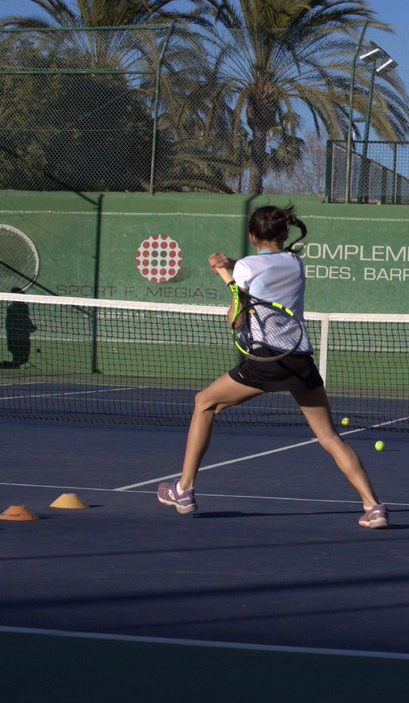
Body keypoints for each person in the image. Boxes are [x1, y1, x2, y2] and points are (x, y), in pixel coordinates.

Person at [156, 205, 389, 529]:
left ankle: (184, 490)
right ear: (284, 234)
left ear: (252, 236)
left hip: (266, 361)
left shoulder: (246, 269)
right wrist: (230, 269)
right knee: (330, 436)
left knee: (204, 403)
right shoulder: (295, 262)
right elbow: (262, 271)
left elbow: (236, 320)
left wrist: (229, 278)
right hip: (299, 360)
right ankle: (373, 507)